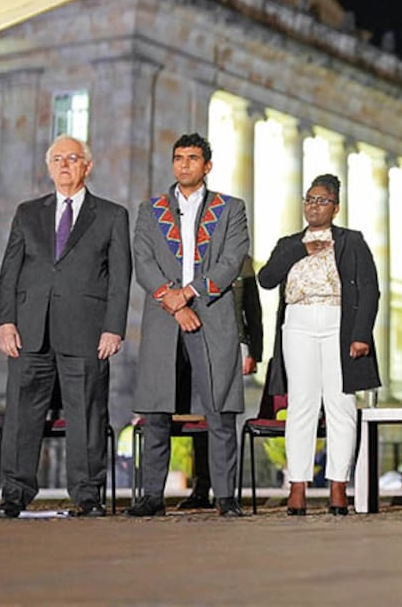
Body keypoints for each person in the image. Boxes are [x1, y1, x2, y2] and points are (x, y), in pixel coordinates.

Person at [0, 136, 131, 518]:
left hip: (86, 332)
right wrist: (5, 321)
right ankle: (15, 493)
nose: (65, 165)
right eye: (57, 159)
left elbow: (120, 278)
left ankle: (87, 495)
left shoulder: (111, 215)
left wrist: (113, 327)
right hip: (30, 331)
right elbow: (10, 272)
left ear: (87, 166)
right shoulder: (27, 212)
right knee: (21, 414)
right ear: (48, 166)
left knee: (87, 413)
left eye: (73, 158)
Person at [128, 133, 250, 518]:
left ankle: (226, 496)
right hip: (165, 317)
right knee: (157, 410)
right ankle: (151, 496)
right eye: (178, 158)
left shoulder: (231, 209)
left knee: (219, 408)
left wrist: (191, 293)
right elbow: (143, 261)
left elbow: (232, 260)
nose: (184, 164)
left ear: (207, 166)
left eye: (192, 158)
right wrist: (174, 299)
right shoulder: (150, 209)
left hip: (212, 315)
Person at [259, 174, 379, 516]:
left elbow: (370, 289)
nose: (314, 206)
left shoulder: (352, 241)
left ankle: (339, 487)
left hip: (337, 323)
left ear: (336, 207)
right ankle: (297, 486)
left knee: (340, 404)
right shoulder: (288, 242)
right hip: (297, 323)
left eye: (322, 200)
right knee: (301, 405)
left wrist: (361, 334)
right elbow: (267, 279)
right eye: (309, 199)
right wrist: (301, 249)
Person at [177, 254, 262, 511]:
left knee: (223, 418)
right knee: (200, 420)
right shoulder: (191, 257)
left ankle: (225, 491)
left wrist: (254, 351)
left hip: (231, 344)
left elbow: (252, 310)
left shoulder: (241, 261)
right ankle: (201, 487)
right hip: (193, 342)